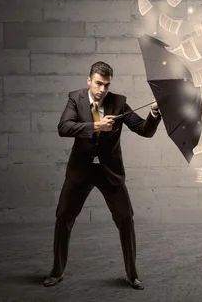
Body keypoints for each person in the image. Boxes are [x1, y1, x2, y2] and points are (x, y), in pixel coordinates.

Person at [43, 61, 161, 290]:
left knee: (126, 219)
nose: (102, 90)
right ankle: (57, 271)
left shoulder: (119, 102)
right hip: (81, 171)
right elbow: (63, 127)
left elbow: (144, 130)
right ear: (89, 81)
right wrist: (95, 126)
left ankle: (132, 275)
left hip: (109, 173)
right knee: (63, 218)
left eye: (106, 85)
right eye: (98, 84)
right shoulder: (75, 98)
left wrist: (154, 112)